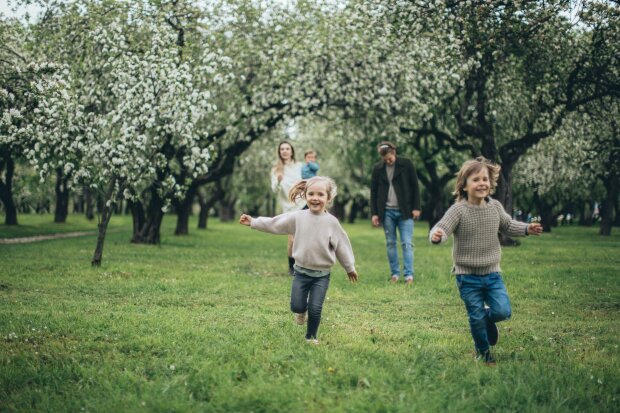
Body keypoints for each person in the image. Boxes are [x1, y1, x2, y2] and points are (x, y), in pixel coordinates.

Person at [429, 157, 543, 365]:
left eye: (485, 179)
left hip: (492, 274)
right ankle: (484, 353)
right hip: (467, 277)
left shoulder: (495, 207)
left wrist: (526, 228)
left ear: (491, 183)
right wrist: (437, 235)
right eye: (476, 180)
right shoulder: (458, 210)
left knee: (503, 311)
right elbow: (443, 227)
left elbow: (508, 226)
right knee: (475, 317)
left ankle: (488, 320)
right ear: (464, 185)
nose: (482, 183)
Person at [240, 176, 358, 344]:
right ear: (305, 196)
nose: (315, 198)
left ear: (328, 198)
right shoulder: (298, 217)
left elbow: (342, 247)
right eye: (311, 194)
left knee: (315, 308)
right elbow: (275, 223)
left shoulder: (332, 222)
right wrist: (254, 222)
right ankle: (300, 312)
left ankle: (311, 337)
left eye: (320, 194)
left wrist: (349, 267)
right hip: (301, 273)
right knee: (296, 306)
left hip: (321, 276)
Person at [370, 141, 421, 285]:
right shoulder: (378, 169)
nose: (388, 161)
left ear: (394, 152)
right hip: (387, 212)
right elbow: (373, 192)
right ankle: (395, 274)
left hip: (405, 211)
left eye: (390, 157)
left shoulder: (406, 164)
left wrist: (416, 207)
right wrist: (374, 213)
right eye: (385, 159)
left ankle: (409, 276)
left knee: (406, 243)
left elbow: (415, 186)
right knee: (391, 243)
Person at [271, 141, 303, 275]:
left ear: (292, 151)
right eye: (282, 149)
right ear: (279, 152)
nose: (284, 151)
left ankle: (304, 266)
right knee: (292, 239)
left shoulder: (299, 166)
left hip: (303, 204)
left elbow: (308, 181)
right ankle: (292, 268)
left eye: (287, 149)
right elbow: (274, 190)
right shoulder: (275, 170)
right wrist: (278, 181)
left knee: (304, 237)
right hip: (289, 208)